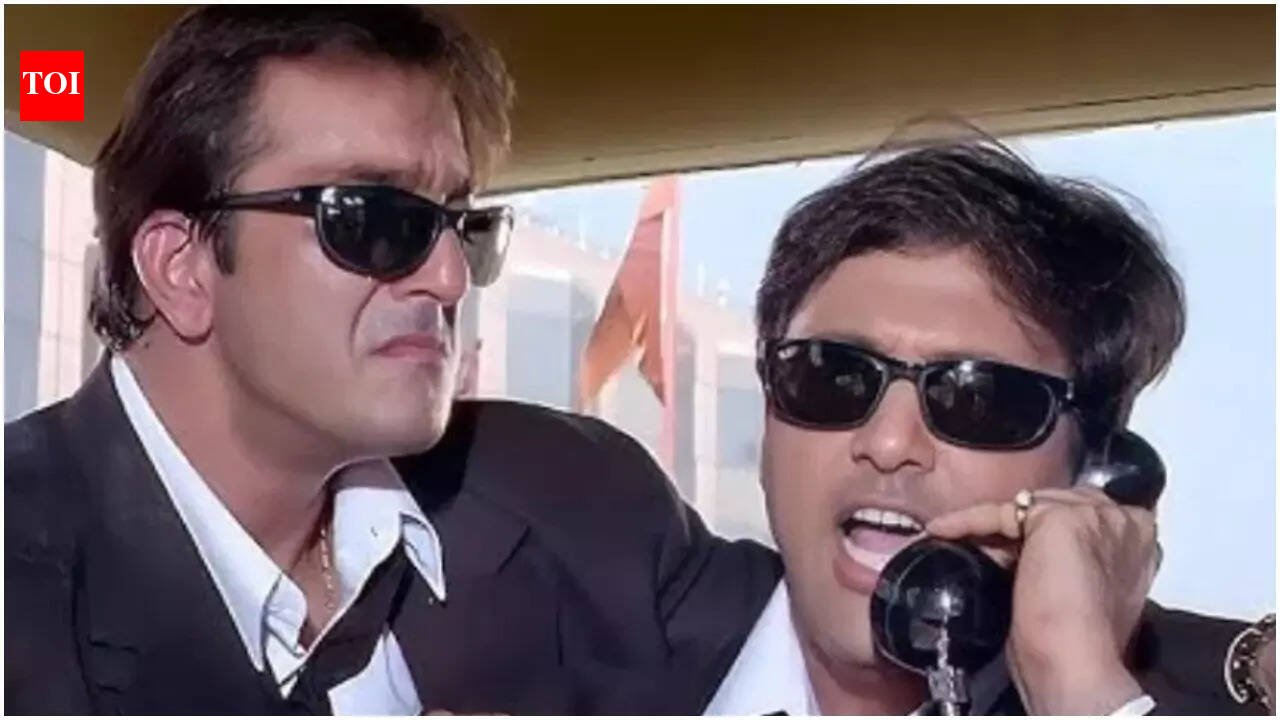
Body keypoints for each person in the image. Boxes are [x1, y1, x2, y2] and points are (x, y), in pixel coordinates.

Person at [4, 6, 774, 714]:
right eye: (373, 218)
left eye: (462, 224)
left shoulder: (584, 501)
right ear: (181, 267)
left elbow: (829, 662)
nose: (450, 277)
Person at [704, 140, 1271, 715]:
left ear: (1091, 473)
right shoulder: (651, 618)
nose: (889, 443)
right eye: (834, 376)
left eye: (976, 400)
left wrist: (1076, 688)